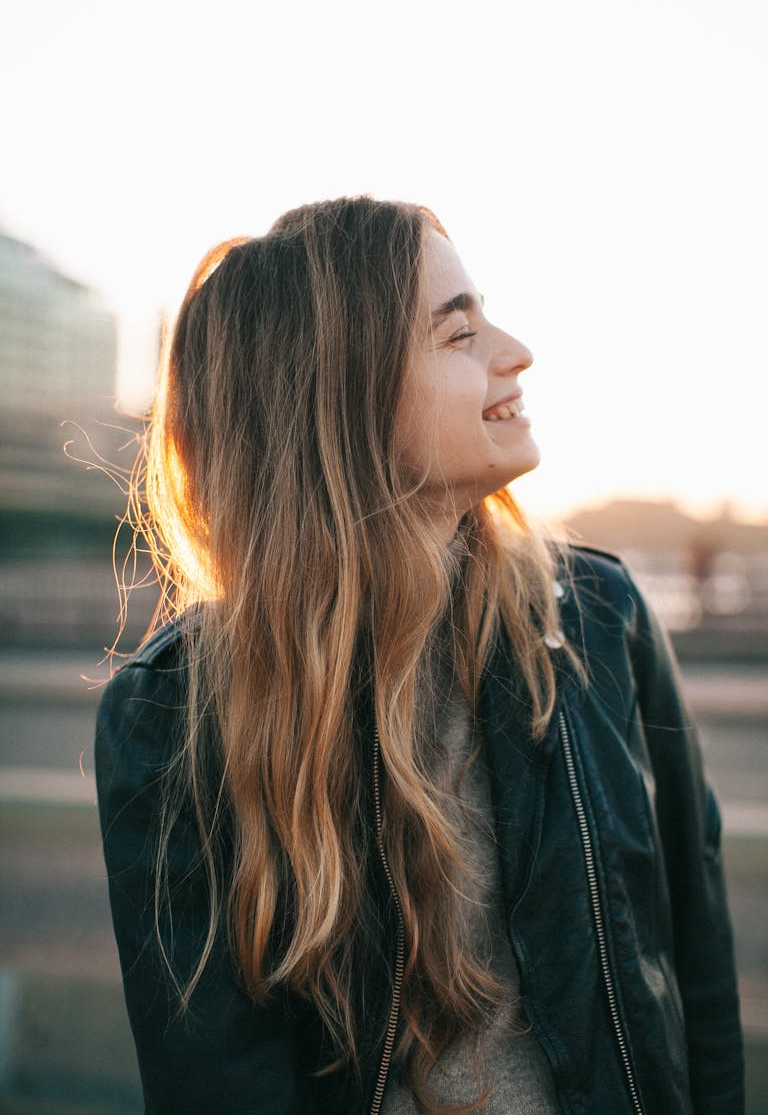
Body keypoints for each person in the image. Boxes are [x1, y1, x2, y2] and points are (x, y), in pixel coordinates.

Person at [95, 197, 744, 1115]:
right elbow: (213, 1082)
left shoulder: (601, 620)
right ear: (339, 394)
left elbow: (699, 974)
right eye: (457, 334)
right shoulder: (174, 711)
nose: (515, 351)